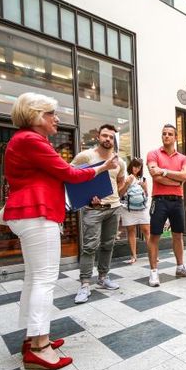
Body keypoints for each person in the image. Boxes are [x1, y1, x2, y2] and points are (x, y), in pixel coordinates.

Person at [4, 93, 118, 370]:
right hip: (36, 213)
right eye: (51, 113)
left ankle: (33, 337)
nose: (57, 119)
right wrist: (103, 168)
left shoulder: (25, 141)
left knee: (34, 278)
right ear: (35, 116)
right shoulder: (31, 140)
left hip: (30, 211)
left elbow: (55, 177)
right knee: (44, 279)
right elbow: (68, 173)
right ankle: (39, 347)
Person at [72, 124, 126, 304]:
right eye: (105, 136)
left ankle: (103, 277)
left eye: (111, 137)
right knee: (89, 246)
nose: (108, 139)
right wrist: (87, 196)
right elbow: (71, 176)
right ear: (98, 136)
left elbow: (119, 182)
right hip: (93, 209)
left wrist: (117, 195)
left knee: (108, 245)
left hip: (113, 208)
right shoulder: (86, 156)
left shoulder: (120, 161)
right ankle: (85, 284)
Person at [146, 123, 186, 287]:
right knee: (155, 236)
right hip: (159, 200)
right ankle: (154, 272)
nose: (166, 136)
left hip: (177, 201)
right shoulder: (153, 154)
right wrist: (177, 181)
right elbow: (155, 175)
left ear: (175, 137)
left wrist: (166, 172)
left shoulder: (183, 158)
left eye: (169, 134)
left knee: (178, 235)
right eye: (164, 134)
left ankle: (180, 267)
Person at [119, 157, 150, 264]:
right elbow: (120, 194)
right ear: (130, 166)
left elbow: (146, 196)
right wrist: (127, 184)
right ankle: (133, 256)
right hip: (128, 209)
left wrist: (145, 188)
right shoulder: (126, 178)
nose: (136, 169)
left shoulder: (143, 179)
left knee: (146, 231)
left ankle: (152, 254)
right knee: (131, 231)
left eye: (138, 167)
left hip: (142, 208)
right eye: (134, 166)